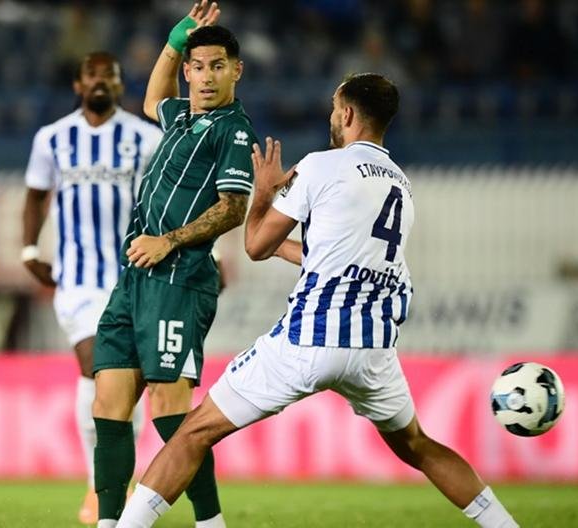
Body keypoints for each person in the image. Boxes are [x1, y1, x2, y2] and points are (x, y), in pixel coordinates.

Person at [117, 73, 520, 528]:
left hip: (310, 339)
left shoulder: (322, 166)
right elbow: (327, 256)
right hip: (373, 350)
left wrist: (263, 193)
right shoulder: (401, 186)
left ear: (346, 114)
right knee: (417, 445)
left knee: (193, 432)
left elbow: (255, 245)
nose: (331, 115)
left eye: (333, 107)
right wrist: (281, 243)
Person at [90, 1, 258, 527]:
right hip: (135, 278)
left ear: (236, 70)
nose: (206, 77)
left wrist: (169, 240)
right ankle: (109, 522)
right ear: (188, 71)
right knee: (108, 403)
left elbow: (232, 209)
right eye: (198, 66)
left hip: (180, 278)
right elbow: (151, 100)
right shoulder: (182, 116)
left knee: (170, 410)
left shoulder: (233, 129)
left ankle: (210, 521)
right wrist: (173, 42)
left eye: (217, 66)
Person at [20, 51, 163, 525]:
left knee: (125, 380)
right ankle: (97, 484)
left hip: (132, 278)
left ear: (120, 85)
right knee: (95, 367)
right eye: (92, 75)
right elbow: (35, 196)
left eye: (109, 76)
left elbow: (170, 201)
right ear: (78, 85)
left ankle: (118, 481)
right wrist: (28, 250)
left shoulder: (146, 138)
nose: (100, 81)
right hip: (78, 280)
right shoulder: (52, 138)